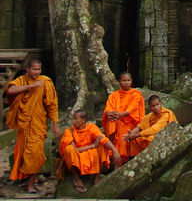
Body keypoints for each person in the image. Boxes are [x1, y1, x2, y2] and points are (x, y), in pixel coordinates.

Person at [6, 58, 61, 194]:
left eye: (39, 69)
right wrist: (30, 87)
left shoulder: (46, 82)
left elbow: (52, 105)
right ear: (28, 70)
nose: (37, 72)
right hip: (24, 126)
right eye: (34, 69)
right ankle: (27, 180)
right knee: (24, 155)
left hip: (38, 124)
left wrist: (55, 124)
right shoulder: (22, 80)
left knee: (36, 155)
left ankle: (30, 184)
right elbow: (10, 91)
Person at [59, 110, 121, 193]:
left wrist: (115, 151)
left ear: (83, 120)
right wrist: (92, 146)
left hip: (90, 155)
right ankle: (76, 178)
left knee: (101, 144)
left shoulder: (91, 127)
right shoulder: (69, 131)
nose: (73, 121)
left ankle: (97, 176)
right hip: (77, 158)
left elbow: (103, 139)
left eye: (76, 119)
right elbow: (74, 149)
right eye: (73, 119)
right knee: (68, 149)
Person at [101, 72, 145, 164]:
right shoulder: (114, 95)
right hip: (116, 120)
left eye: (128, 80)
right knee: (112, 122)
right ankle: (112, 148)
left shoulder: (136, 94)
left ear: (131, 81)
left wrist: (122, 115)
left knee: (123, 136)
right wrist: (109, 113)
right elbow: (109, 106)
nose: (126, 82)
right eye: (124, 80)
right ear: (119, 82)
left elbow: (132, 107)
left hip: (130, 121)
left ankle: (120, 159)